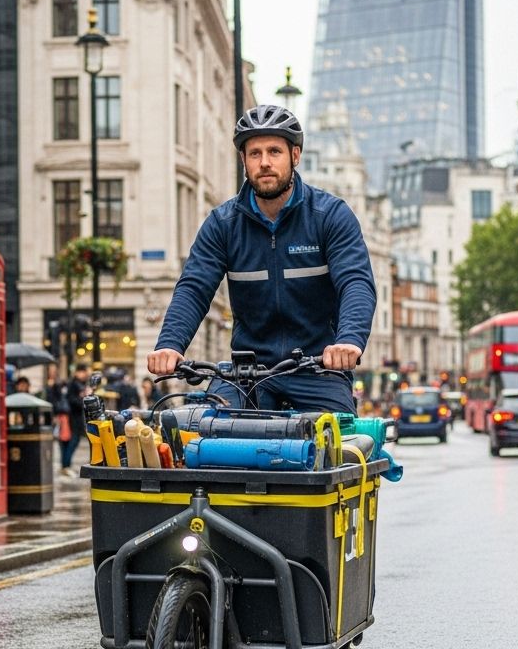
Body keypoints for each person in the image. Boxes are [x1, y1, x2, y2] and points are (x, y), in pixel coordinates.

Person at [147, 104, 376, 414]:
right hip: (246, 371)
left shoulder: (330, 216)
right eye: (255, 153)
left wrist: (348, 341)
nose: (265, 162)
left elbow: (356, 282)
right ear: (244, 160)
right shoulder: (222, 224)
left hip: (317, 367)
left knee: (340, 446)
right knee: (209, 434)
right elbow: (194, 287)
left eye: (274, 152)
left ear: (295, 156)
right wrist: (169, 345)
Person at [60, 363, 91, 476]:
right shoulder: (73, 384)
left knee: (71, 442)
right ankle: (65, 465)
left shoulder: (78, 384)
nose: (86, 375)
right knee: (71, 442)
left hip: (74, 418)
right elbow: (72, 400)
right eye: (85, 372)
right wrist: (83, 398)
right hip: (72, 419)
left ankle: (66, 465)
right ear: (79, 372)